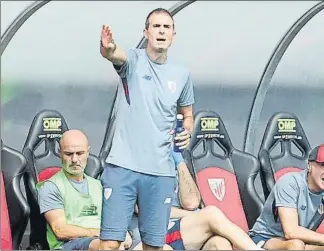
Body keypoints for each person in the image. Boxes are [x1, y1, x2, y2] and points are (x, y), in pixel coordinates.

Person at [99, 7, 194, 250]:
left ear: (173, 34)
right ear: (146, 32)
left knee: (154, 246)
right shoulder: (132, 60)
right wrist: (108, 47)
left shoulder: (182, 74)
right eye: (156, 26)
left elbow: (188, 114)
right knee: (110, 243)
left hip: (161, 172)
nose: (161, 31)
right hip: (123, 167)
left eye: (166, 27)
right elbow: (113, 54)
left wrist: (187, 131)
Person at [130, 151, 263, 250]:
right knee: (211, 213)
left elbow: (192, 202)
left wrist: (180, 162)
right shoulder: (139, 161)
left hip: (185, 232)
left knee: (220, 244)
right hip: (154, 234)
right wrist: (196, 215)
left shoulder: (172, 161)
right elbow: (146, 210)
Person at [37, 130, 132, 250]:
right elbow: (60, 230)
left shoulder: (98, 186)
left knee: (158, 247)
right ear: (60, 153)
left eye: (80, 153)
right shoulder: (51, 187)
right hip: (68, 245)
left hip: (102, 239)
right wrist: (105, 235)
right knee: (110, 245)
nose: (75, 159)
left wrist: (122, 233)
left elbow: (113, 220)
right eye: (69, 154)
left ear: (88, 152)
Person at [249, 144, 324, 250]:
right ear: (310, 166)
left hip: (302, 241)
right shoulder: (290, 182)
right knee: (295, 245)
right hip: (265, 238)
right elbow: (290, 232)